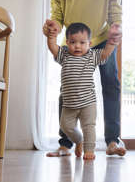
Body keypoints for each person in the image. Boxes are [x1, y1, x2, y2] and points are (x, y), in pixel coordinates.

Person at [43, 0, 126, 157]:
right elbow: (58, 17)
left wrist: (116, 28)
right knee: (68, 87)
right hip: (74, 44)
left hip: (101, 40)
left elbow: (115, 13)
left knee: (111, 83)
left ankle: (112, 141)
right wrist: (53, 27)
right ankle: (66, 143)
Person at [45, 22, 120, 160]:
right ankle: (78, 140)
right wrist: (52, 36)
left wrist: (112, 42)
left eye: (82, 42)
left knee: (89, 127)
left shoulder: (91, 56)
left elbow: (105, 54)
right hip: (68, 105)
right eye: (73, 42)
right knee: (66, 126)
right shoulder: (65, 55)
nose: (77, 46)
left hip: (88, 103)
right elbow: (53, 47)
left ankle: (89, 150)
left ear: (89, 43)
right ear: (67, 42)